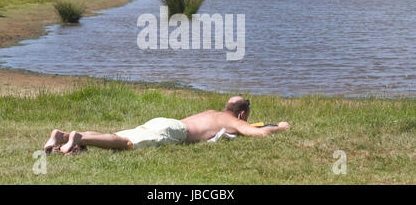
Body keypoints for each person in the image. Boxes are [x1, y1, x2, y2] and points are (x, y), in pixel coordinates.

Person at [43, 96, 290, 154]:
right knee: (127, 144)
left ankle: (63, 136)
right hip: (173, 130)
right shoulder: (231, 121)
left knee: (116, 135)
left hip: (163, 121)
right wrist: (280, 126)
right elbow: (258, 134)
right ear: (243, 113)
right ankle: (80, 138)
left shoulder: (211, 112)